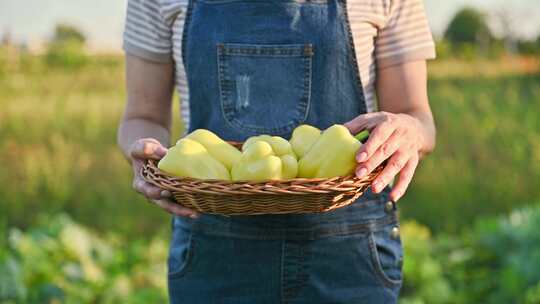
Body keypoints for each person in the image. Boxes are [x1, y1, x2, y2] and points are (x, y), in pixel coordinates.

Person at [117, 0, 436, 302]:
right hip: (215, 251)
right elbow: (142, 116)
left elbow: (415, 113)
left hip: (349, 252)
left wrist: (411, 131)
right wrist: (147, 154)